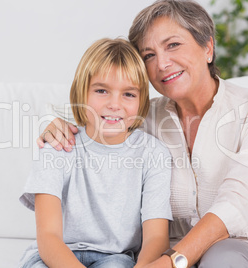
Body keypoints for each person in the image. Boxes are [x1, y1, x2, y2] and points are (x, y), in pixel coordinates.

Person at [37, 1, 248, 268]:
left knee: (222, 260)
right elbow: (98, 124)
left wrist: (169, 263)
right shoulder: (143, 119)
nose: (162, 63)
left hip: (243, 249)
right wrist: (56, 126)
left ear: (207, 47)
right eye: (149, 55)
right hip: (162, 256)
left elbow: (236, 205)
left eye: (173, 45)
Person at [19, 38, 173, 268]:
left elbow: (156, 238)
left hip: (115, 258)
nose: (114, 104)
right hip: (55, 256)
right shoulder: (56, 147)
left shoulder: (153, 154)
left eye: (128, 94)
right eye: (102, 90)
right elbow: (49, 237)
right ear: (82, 94)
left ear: (141, 101)